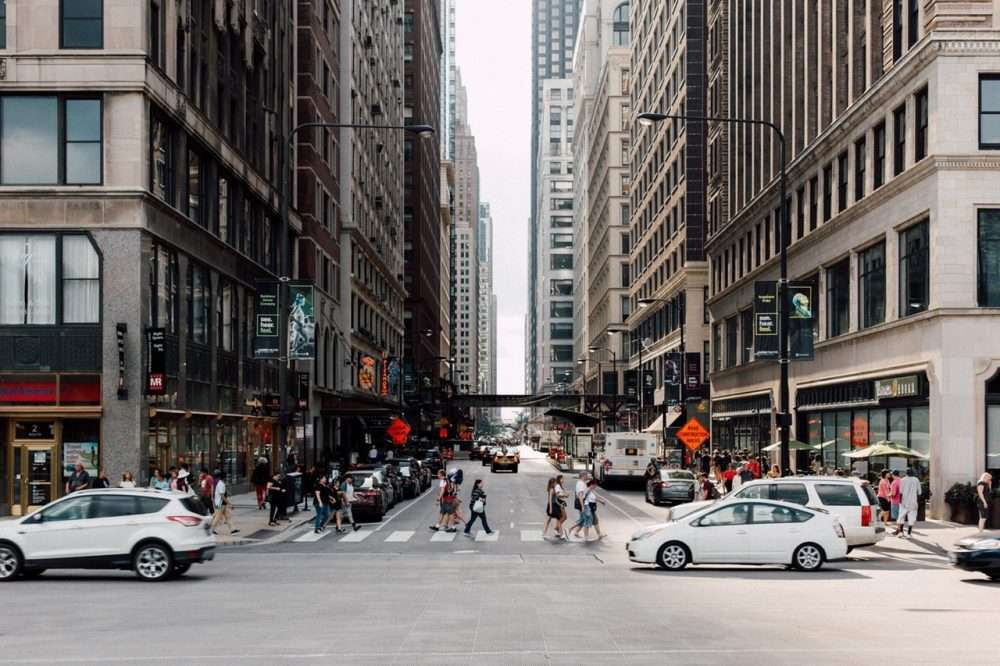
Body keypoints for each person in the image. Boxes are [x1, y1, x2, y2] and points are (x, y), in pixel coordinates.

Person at [894, 469, 922, 537]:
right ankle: (909, 533)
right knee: (911, 517)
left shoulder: (903, 480)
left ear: (906, 473)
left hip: (904, 501)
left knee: (901, 516)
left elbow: (900, 492)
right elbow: (919, 492)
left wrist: (900, 501)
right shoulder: (916, 480)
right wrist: (917, 501)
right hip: (913, 502)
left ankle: (901, 532)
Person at [211, 470, 239, 535]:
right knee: (217, 517)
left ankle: (233, 530)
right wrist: (230, 504)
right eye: (226, 477)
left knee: (227, 516)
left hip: (221, 503)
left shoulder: (219, 483)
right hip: (220, 503)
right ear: (224, 477)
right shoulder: (221, 484)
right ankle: (211, 529)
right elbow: (222, 496)